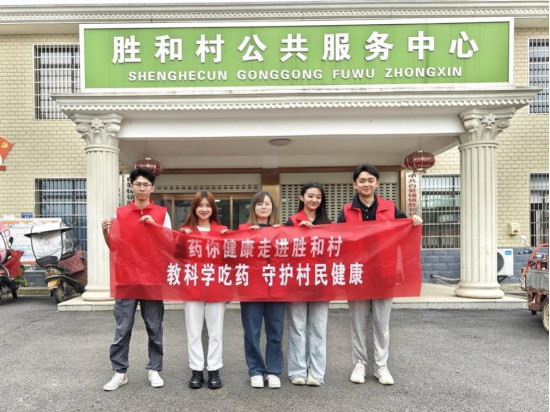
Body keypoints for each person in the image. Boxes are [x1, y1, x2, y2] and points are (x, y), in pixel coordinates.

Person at [337, 164, 423, 387]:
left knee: (382, 323)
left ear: (377, 183)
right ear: (354, 185)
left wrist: (414, 221)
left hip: (384, 273)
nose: (366, 184)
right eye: (362, 181)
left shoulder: (390, 208)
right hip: (357, 273)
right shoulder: (346, 211)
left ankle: (381, 366)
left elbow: (406, 229)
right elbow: (336, 239)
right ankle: (359, 363)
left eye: (370, 180)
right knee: (357, 322)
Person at [102, 167, 172, 392]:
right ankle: (120, 372)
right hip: (127, 278)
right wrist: (105, 232)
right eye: (138, 184)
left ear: (153, 188)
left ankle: (154, 369)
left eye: (146, 184)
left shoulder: (162, 213)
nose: (142, 188)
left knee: (154, 326)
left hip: (152, 278)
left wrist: (156, 226)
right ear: (131, 187)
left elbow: (169, 244)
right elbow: (115, 247)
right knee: (123, 327)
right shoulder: (121, 214)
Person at [180, 190, 229, 390]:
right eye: (200, 205)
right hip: (192, 287)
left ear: (213, 209)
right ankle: (197, 370)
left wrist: (229, 240)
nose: (204, 209)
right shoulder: (185, 231)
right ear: (194, 208)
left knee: (216, 332)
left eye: (208, 205)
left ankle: (214, 369)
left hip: (216, 287)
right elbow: (173, 257)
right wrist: (180, 240)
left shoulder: (223, 230)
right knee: (194, 332)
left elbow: (232, 259)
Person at [285, 182, 332, 387]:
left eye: (318, 197)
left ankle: (317, 373)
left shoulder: (328, 224)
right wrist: (297, 231)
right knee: (297, 327)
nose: (314, 200)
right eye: (310, 196)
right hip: (297, 282)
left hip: (320, 282)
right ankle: (297, 371)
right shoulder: (291, 222)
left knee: (318, 329)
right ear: (301, 197)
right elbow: (282, 249)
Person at [238, 192, 286, 389]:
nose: (263, 207)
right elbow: (233, 256)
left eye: (267, 204)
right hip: (251, 288)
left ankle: (273, 371)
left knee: (275, 331)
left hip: (276, 288)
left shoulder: (281, 230)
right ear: (253, 208)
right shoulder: (243, 229)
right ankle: (256, 370)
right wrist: (247, 236)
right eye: (259, 204)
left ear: (273, 208)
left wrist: (283, 234)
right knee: (252, 331)